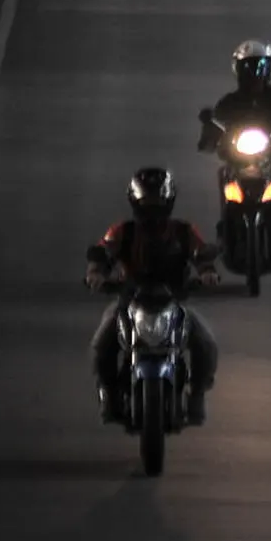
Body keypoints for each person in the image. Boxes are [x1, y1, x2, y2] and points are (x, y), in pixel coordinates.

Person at [87, 168, 223, 425]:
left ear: (168, 202)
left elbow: (201, 254)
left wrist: (207, 273)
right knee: (101, 344)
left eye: (157, 202)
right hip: (129, 302)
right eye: (146, 203)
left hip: (172, 302)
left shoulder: (183, 231)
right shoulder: (122, 231)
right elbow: (103, 251)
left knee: (206, 343)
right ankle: (110, 393)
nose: (151, 210)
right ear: (134, 201)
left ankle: (197, 394)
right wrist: (96, 274)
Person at [199, 40, 271, 190]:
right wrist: (209, 128)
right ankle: (229, 207)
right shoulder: (229, 102)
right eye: (249, 68)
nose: (255, 73)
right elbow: (215, 124)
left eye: (261, 67)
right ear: (238, 70)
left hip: (269, 158)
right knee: (225, 174)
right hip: (237, 159)